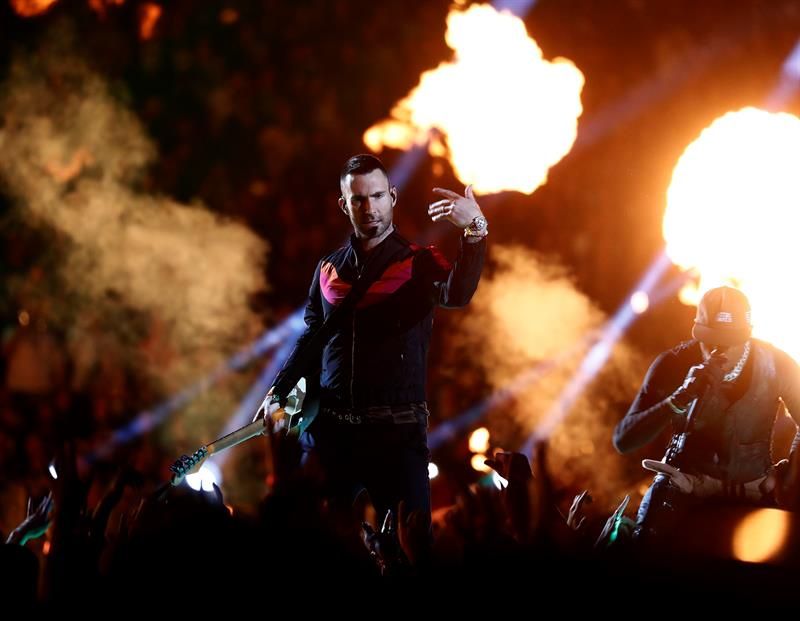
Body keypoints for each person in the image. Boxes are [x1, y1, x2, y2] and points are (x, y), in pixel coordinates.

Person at [258, 154, 487, 531]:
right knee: (318, 547)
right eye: (359, 200)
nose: (370, 208)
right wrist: (278, 390)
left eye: (378, 196)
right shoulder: (328, 268)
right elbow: (312, 340)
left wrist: (475, 232)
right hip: (332, 435)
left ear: (393, 197)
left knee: (408, 551)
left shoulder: (419, 263)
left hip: (397, 436)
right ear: (343, 205)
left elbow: (458, 293)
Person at [613, 286, 800, 541]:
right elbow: (624, 440)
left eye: (730, 341)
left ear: (747, 336)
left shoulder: (778, 364)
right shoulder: (674, 362)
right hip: (684, 482)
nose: (718, 349)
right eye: (711, 339)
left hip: (754, 485)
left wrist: (789, 474)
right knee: (643, 544)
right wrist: (679, 398)